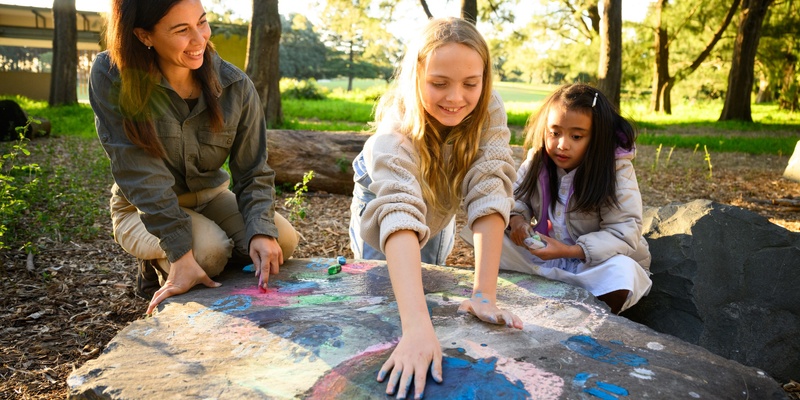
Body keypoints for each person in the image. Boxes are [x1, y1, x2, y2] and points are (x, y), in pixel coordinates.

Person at [348, 17, 523, 400]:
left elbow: (490, 189)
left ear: (485, 79)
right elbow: (397, 211)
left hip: (439, 200)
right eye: (439, 83)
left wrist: (483, 294)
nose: (456, 97)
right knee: (383, 299)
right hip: (387, 201)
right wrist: (415, 330)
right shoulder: (395, 129)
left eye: (470, 84)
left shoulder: (489, 109)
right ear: (416, 76)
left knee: (425, 285)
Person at [89, 0, 298, 315]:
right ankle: (158, 264)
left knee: (280, 241)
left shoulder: (235, 85)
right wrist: (180, 252)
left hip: (210, 196)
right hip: (141, 207)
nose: (200, 39)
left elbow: (253, 171)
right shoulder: (113, 75)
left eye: (202, 22)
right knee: (209, 255)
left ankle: (198, 252)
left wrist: (261, 230)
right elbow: (140, 173)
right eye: (181, 30)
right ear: (145, 36)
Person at [474, 83, 652, 315]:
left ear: (597, 138)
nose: (562, 144)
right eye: (554, 133)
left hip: (592, 263)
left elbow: (624, 232)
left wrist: (569, 251)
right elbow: (514, 199)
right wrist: (517, 221)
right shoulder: (539, 159)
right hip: (547, 256)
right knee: (487, 232)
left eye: (576, 136)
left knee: (623, 272)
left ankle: (590, 307)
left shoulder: (616, 170)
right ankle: (551, 286)